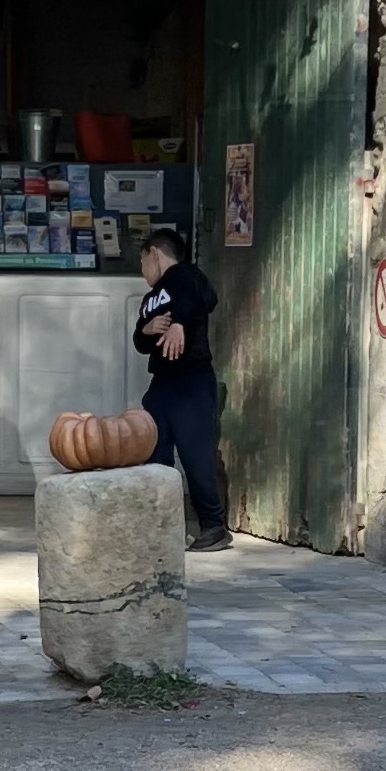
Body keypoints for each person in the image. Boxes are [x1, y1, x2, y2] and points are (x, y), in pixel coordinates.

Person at [134, 221, 230, 546]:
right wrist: (145, 331)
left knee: (195, 456)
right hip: (162, 383)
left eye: (142, 262)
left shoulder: (187, 276)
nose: (142, 270)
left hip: (192, 379)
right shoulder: (150, 299)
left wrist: (180, 325)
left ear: (154, 254)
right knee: (153, 451)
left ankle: (213, 525)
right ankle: (162, 525)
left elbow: (204, 299)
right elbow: (140, 341)